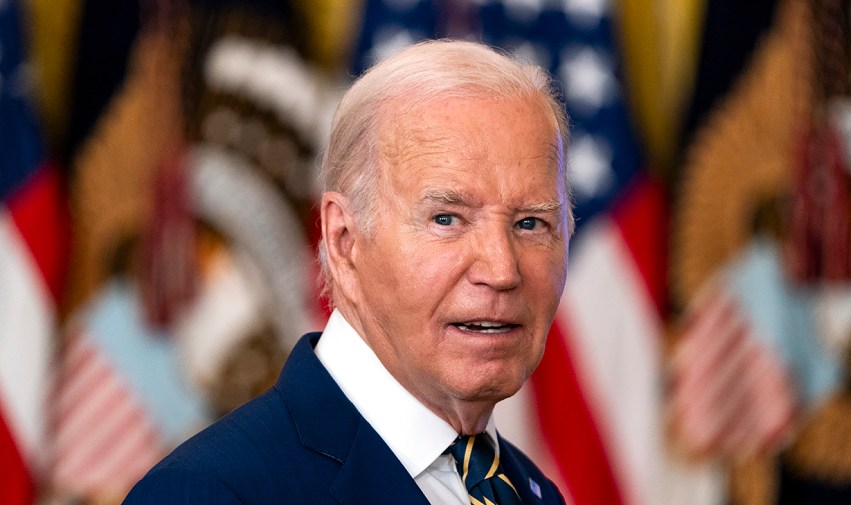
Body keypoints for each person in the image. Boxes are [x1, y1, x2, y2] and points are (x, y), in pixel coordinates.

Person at [123, 39, 572, 504]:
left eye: (531, 223)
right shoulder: (209, 492)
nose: (502, 270)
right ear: (343, 239)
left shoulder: (529, 491)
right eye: (446, 219)